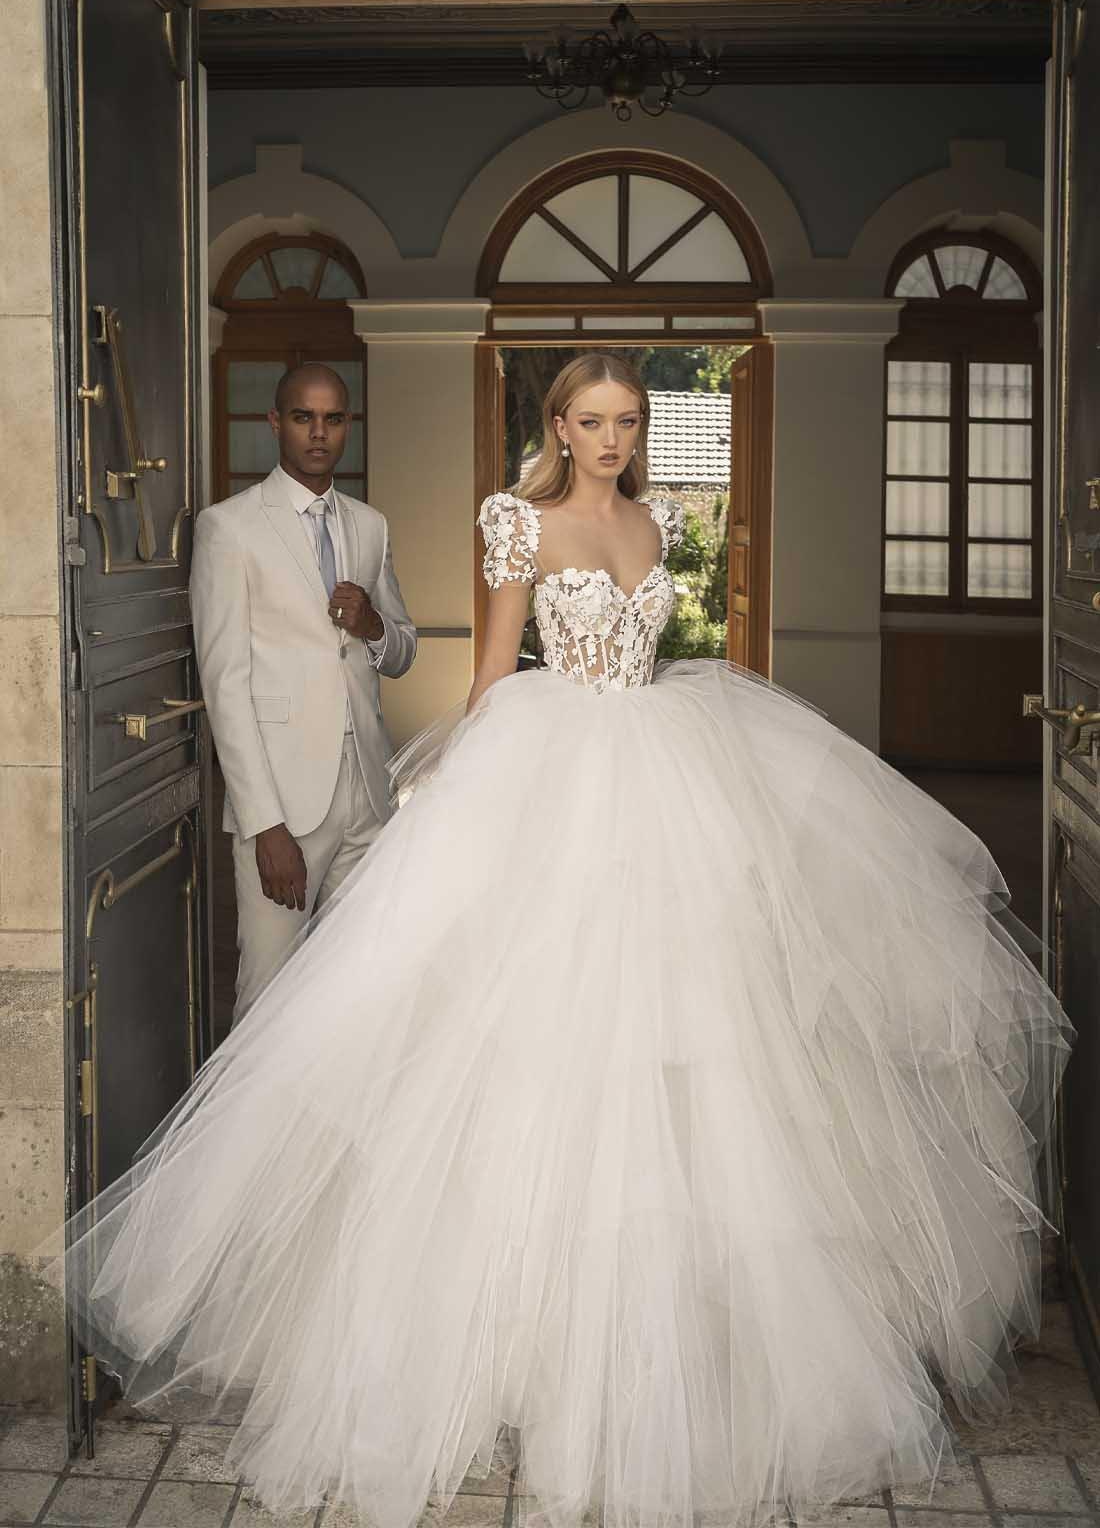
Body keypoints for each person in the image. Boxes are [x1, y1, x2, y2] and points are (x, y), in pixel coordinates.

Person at [53, 353, 1071, 1528]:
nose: (609, 438)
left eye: (626, 420)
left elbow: (641, 651)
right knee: (514, 1047)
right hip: (547, 773)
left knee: (691, 1042)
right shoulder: (512, 520)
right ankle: (497, 1340)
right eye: (589, 420)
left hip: (665, 772)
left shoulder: (655, 518)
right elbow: (491, 671)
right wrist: (457, 806)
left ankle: (671, 1332)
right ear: (556, 423)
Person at [190, 362, 416, 1024]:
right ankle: (247, 1132)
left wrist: (373, 624)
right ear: (276, 423)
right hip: (284, 807)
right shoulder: (228, 528)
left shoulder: (369, 525)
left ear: (348, 425)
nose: (319, 432)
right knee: (266, 1000)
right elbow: (224, 683)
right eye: (303, 417)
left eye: (334, 418)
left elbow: (401, 651)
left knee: (362, 993)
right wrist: (265, 825)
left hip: (368, 794)